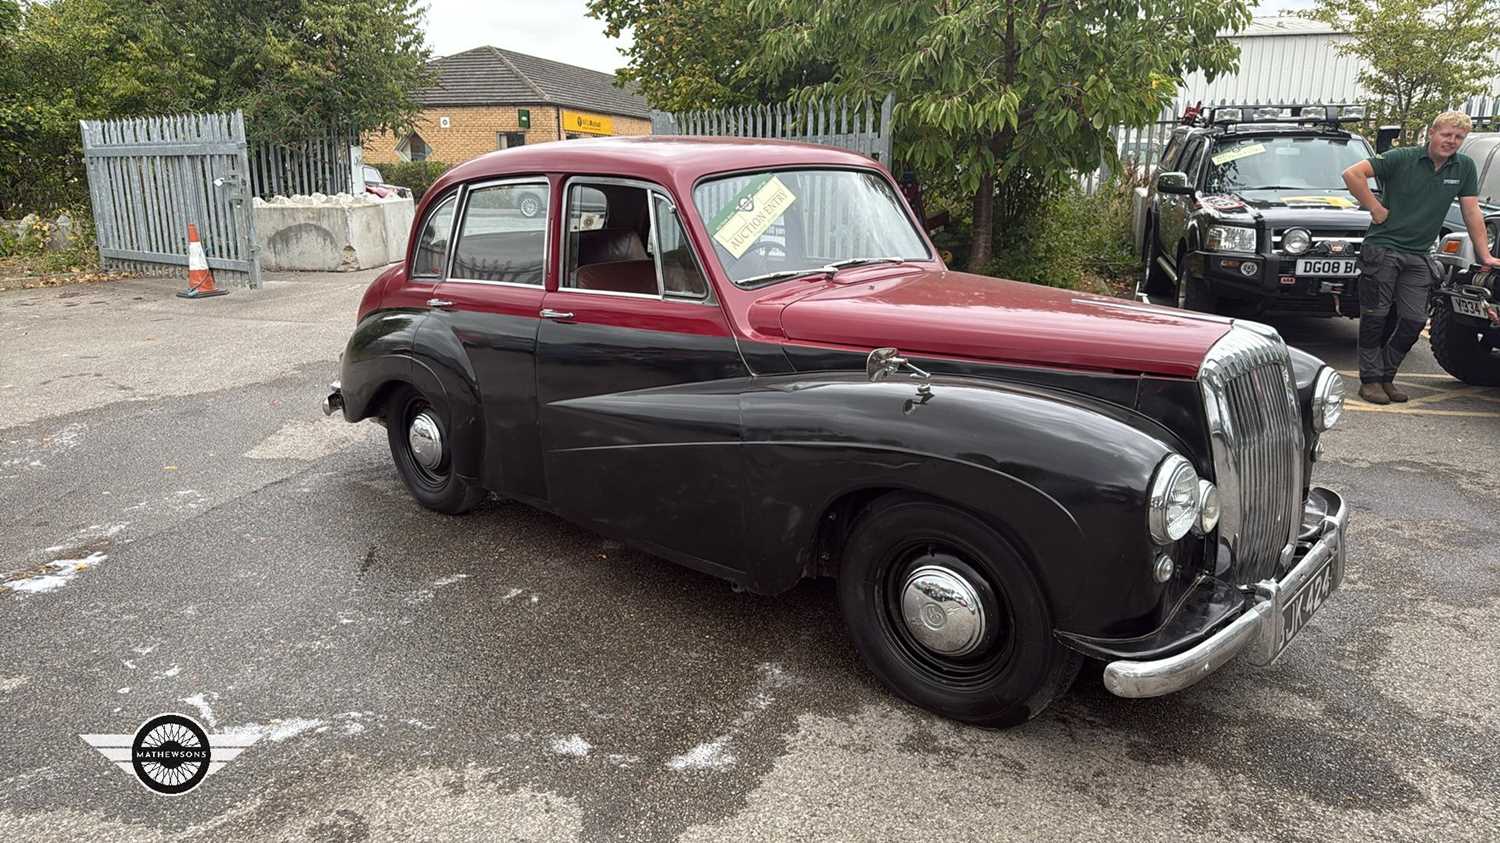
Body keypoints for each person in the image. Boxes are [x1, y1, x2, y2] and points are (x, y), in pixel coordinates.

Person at [1342, 111, 1500, 404]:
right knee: (1375, 317)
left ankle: (1386, 375)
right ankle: (1370, 380)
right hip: (1383, 249)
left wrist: (1485, 254)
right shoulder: (1401, 158)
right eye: (1446, 134)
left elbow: (1471, 212)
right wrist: (1375, 209)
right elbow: (1353, 174)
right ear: (1432, 132)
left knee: (1414, 320)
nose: (1451, 141)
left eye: (1458, 137)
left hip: (1419, 254)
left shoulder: (1463, 167)